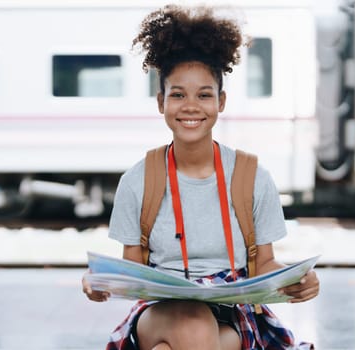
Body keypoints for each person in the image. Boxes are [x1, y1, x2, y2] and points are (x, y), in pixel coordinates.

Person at [82, 4, 319, 350]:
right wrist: (98, 281)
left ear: (221, 102)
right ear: (161, 101)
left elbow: (264, 262)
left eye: (204, 95)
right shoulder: (138, 180)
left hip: (233, 311)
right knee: (192, 323)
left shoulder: (251, 176)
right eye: (178, 94)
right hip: (160, 310)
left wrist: (299, 278)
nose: (191, 106)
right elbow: (131, 267)